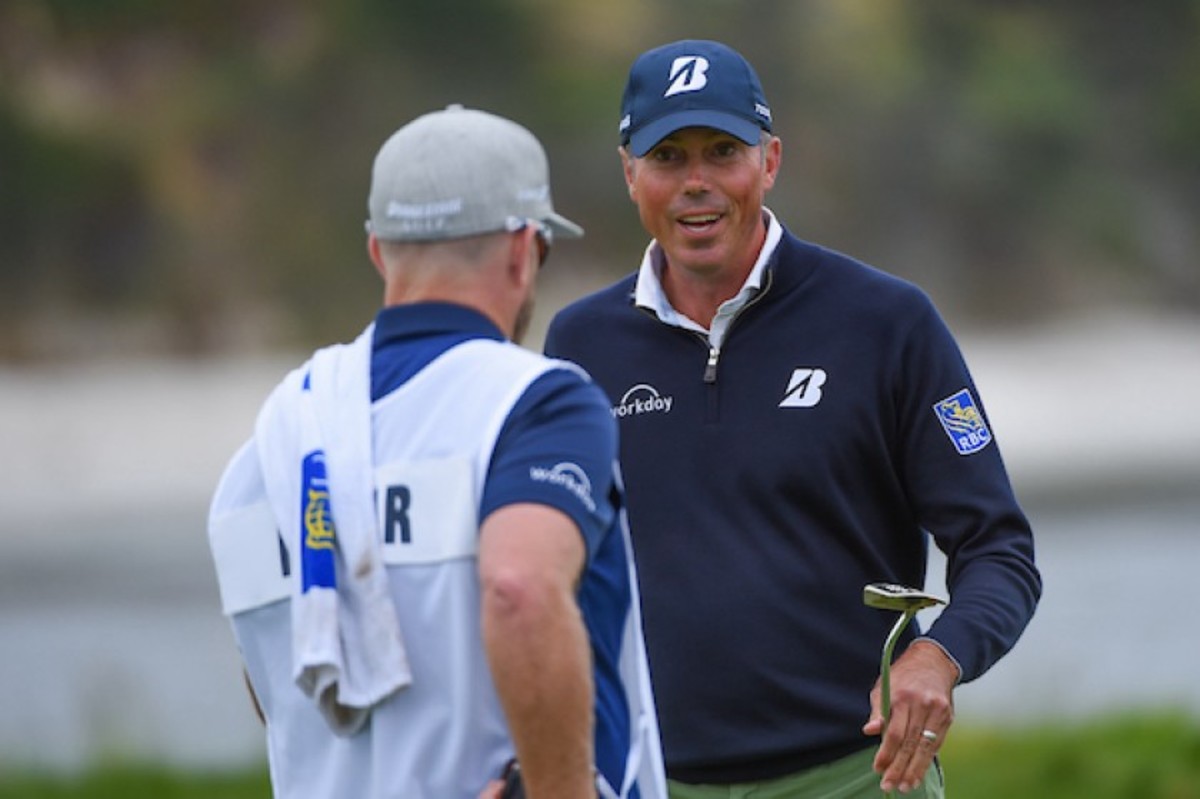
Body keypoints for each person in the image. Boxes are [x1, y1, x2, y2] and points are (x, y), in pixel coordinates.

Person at [544, 40, 1042, 798]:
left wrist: (939, 655)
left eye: (723, 151)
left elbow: (998, 547)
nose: (697, 184)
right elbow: (554, 572)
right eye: (669, 156)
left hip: (856, 774)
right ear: (629, 173)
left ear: (770, 160)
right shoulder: (580, 343)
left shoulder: (887, 323)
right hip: (649, 779)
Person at [207, 104, 666, 799]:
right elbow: (519, 591)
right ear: (523, 248)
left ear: (377, 251)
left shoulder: (266, 453)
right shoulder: (538, 406)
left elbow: (273, 686)